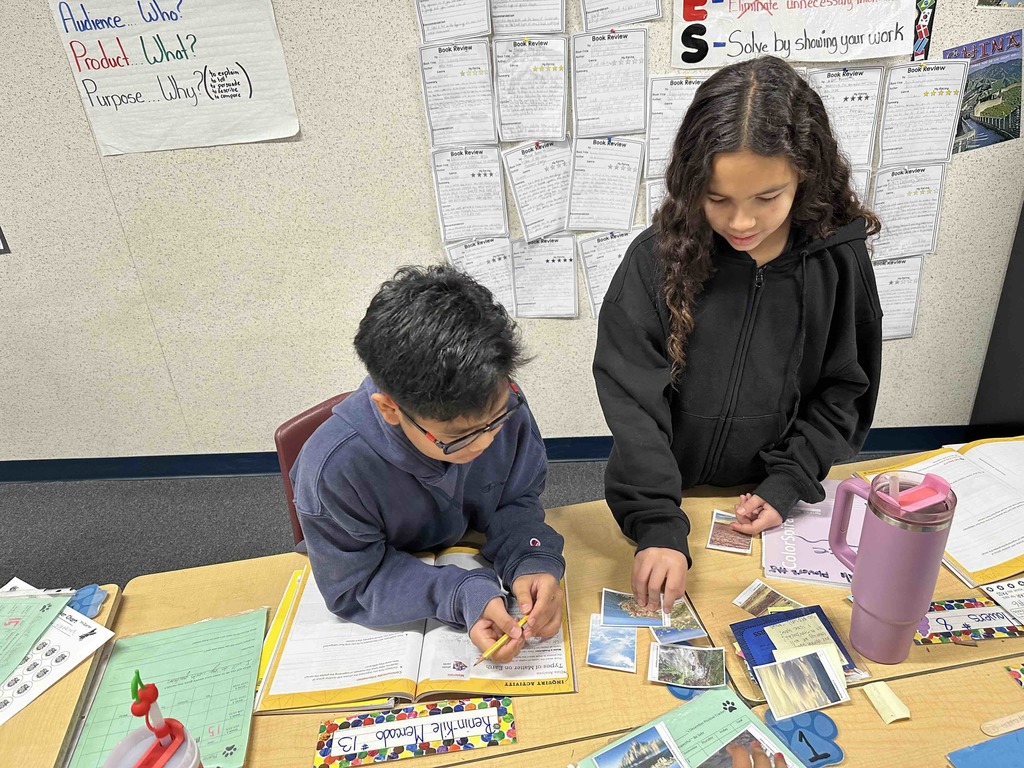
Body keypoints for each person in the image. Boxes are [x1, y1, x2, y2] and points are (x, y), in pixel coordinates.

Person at [593, 55, 883, 612]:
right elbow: (633, 405)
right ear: (691, 183)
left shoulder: (837, 261)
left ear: (805, 176)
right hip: (663, 490)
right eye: (718, 198)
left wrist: (788, 482)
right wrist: (656, 520)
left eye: (767, 198)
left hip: (766, 497)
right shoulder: (656, 260)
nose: (741, 223)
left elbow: (846, 389)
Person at [292, 265, 565, 662]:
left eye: (496, 420)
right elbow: (355, 583)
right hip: (394, 585)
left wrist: (531, 557)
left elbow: (516, 498)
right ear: (389, 409)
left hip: (464, 551)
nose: (486, 442)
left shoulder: (498, 402)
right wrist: (458, 593)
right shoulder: (332, 469)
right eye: (459, 436)